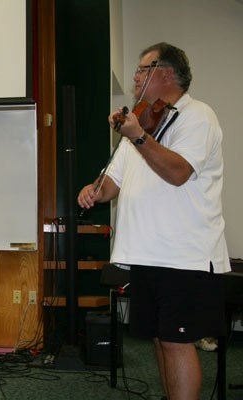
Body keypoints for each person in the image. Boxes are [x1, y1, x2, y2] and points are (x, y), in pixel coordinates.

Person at [77, 42, 229, 400]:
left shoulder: (198, 116)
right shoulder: (143, 120)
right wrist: (93, 190)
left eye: (143, 70)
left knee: (178, 342)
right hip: (146, 253)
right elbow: (110, 184)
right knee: (162, 340)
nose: (135, 77)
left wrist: (139, 136)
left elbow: (178, 173)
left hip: (183, 254)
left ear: (166, 72)